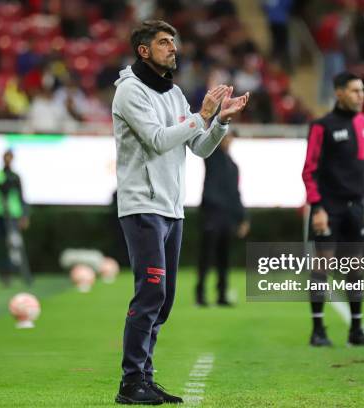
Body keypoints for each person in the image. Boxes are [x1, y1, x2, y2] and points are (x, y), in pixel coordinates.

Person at [112, 20, 249, 405]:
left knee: (165, 299)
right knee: (151, 291)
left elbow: (200, 147)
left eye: (173, 42)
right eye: (163, 42)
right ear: (144, 50)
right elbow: (157, 141)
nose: (172, 48)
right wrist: (201, 115)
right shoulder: (129, 92)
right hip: (142, 205)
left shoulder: (172, 93)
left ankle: (145, 377)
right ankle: (130, 382)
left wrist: (219, 120)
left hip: (172, 209)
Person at [302, 72, 364, 347]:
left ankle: (356, 330)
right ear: (338, 93)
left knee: (355, 269)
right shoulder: (321, 126)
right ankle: (317, 330)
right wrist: (317, 207)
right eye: (354, 91)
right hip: (329, 207)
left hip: (356, 208)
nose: (360, 96)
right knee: (322, 266)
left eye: (362, 91)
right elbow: (309, 170)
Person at [196, 129, 249, 307]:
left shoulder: (233, 166)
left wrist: (243, 217)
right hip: (212, 213)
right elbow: (208, 139)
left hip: (227, 217)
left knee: (223, 258)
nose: (228, 141)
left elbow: (236, 193)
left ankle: (221, 294)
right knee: (207, 255)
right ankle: (200, 294)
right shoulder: (212, 156)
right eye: (226, 138)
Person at [0, 150, 32, 286]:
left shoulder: (15, 177)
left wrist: (24, 215)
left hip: (12, 216)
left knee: (12, 246)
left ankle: (8, 274)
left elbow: (22, 197)